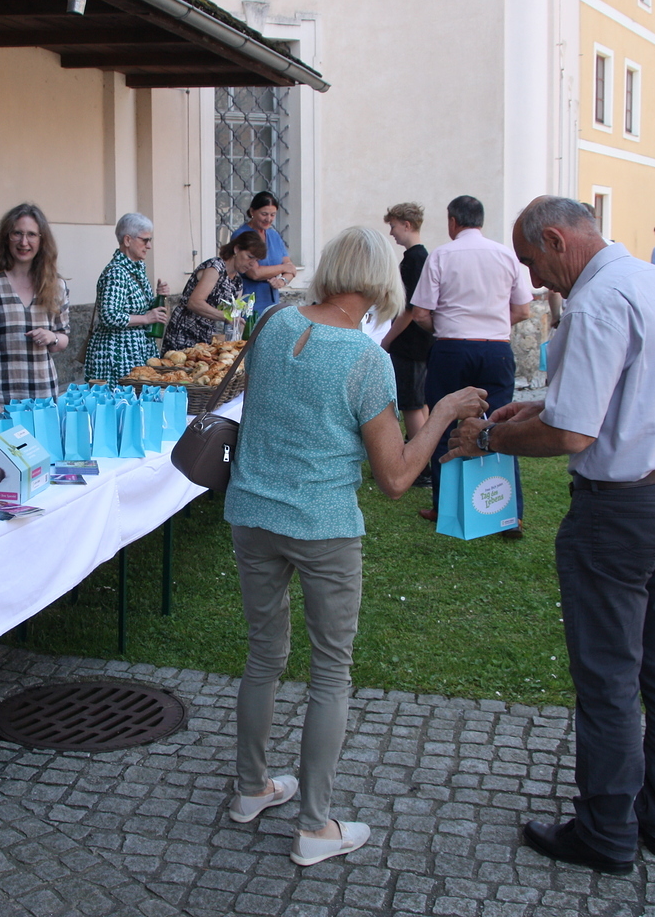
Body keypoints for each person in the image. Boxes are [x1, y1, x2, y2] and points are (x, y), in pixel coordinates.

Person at [444, 196, 655, 875]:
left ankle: (606, 831)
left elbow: (571, 434)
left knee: (610, 678)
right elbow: (634, 391)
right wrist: (541, 405)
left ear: (558, 240)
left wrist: (488, 438)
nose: (535, 281)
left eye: (533, 262)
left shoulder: (596, 303)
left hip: (622, 515)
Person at [222, 225, 488, 867]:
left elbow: (267, 411)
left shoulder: (275, 324)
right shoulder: (366, 360)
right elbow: (396, 479)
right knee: (330, 672)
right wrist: (443, 413)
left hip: (252, 513)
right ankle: (315, 827)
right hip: (322, 526)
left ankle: (251, 789)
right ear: (380, 281)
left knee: (263, 656)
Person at [410, 195, 533, 534]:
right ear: (481, 220)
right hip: (496, 349)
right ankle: (509, 512)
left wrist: (447, 329)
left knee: (443, 422)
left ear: (453, 221)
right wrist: (492, 326)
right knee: (500, 423)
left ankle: (446, 506)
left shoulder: (441, 254)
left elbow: (420, 313)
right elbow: (523, 310)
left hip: (452, 347)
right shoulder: (505, 255)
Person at [0, 203, 71, 413]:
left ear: (42, 240)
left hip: (41, 397)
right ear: (6, 237)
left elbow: (62, 339)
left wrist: (52, 337)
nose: (24, 242)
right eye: (17, 233)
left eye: (32, 235)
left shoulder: (55, 285)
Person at [379, 202, 435, 486]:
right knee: (420, 403)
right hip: (420, 342)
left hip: (410, 343)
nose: (392, 232)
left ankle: (421, 467)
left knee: (412, 405)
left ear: (407, 225)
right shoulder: (422, 258)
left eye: (393, 226)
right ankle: (426, 462)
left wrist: (388, 339)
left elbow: (410, 309)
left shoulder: (415, 259)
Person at [82, 213, 171, 383]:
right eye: (145, 240)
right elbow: (109, 316)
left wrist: (159, 296)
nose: (149, 246)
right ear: (128, 240)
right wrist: (146, 318)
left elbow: (136, 307)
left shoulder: (135, 268)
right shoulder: (116, 273)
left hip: (133, 351)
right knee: (120, 398)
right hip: (117, 354)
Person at [162, 230, 264, 351]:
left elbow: (233, 316)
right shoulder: (215, 267)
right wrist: (225, 317)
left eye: (256, 260)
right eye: (250, 257)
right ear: (236, 249)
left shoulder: (237, 282)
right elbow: (194, 302)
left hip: (207, 338)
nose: (252, 264)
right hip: (184, 332)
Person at [230, 191, 299, 313]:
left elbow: (291, 269)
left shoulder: (274, 235)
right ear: (252, 212)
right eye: (264, 214)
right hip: (248, 302)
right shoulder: (242, 235)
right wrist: (283, 268)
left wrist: (282, 281)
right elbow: (255, 273)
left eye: (273, 215)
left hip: (272, 302)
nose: (268, 219)